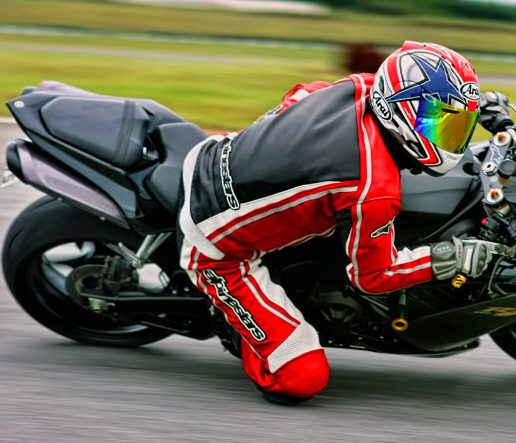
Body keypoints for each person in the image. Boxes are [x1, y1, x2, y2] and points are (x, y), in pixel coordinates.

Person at [177, 41, 497, 404]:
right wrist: (450, 258)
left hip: (216, 149)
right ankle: (249, 335)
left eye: (457, 126)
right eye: (439, 124)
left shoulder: (361, 86)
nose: (450, 139)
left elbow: (300, 94)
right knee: (301, 379)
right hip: (213, 245)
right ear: (401, 113)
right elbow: (373, 277)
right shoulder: (373, 188)